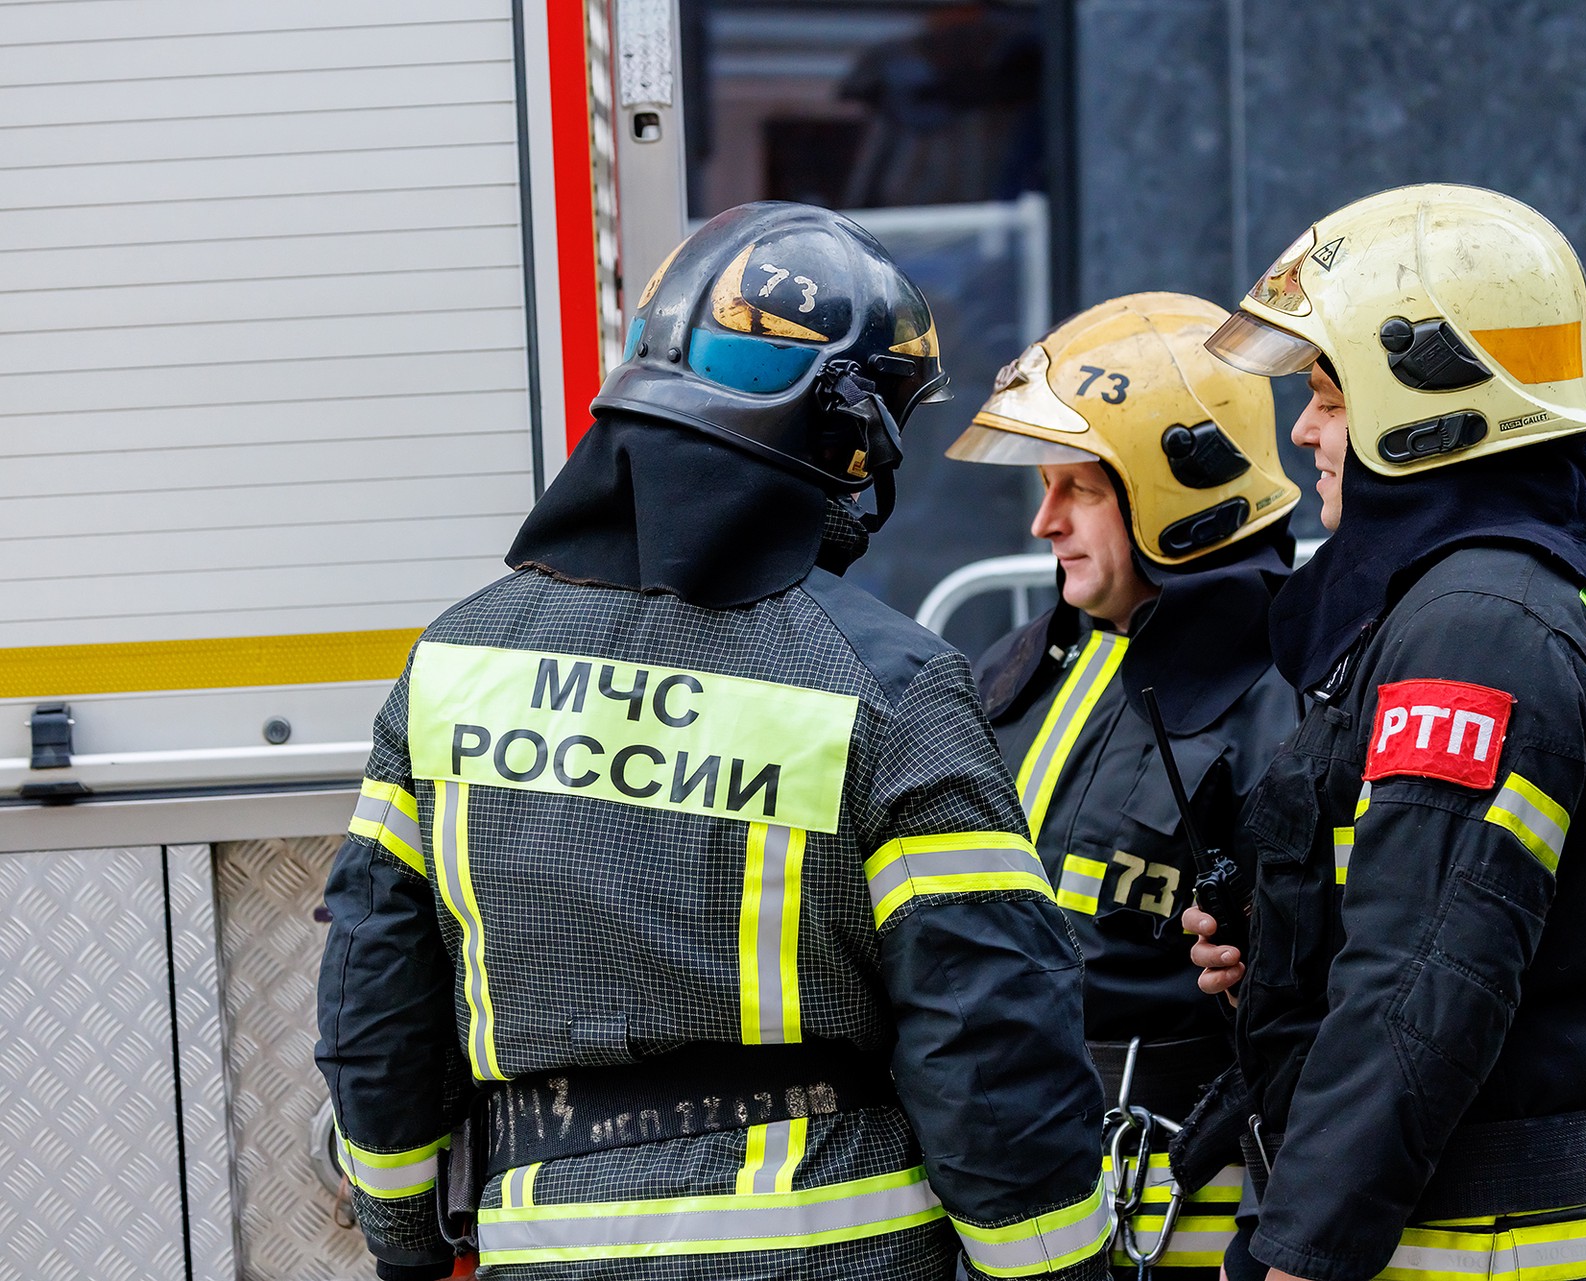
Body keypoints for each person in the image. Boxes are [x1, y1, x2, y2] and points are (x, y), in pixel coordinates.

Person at [315, 202, 1111, 1281]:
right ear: (842, 429)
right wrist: (1053, 1268)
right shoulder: (890, 686)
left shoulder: (450, 668)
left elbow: (378, 1000)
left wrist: (405, 1238)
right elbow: (987, 1034)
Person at [1184, 184, 1586, 1281]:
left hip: (1460, 1245)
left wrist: (1301, 1256)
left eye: (1328, 394)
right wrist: (1282, 937)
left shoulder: (1476, 631)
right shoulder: (1488, 602)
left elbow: (1422, 984)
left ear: (1421, 398)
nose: (1305, 429)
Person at [947, 292, 1302, 1279]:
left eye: (1079, 490)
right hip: (1024, 1200)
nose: (1042, 520)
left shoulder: (1284, 699)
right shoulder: (1022, 670)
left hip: (1194, 1213)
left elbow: (1313, 1017)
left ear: (1173, 493)